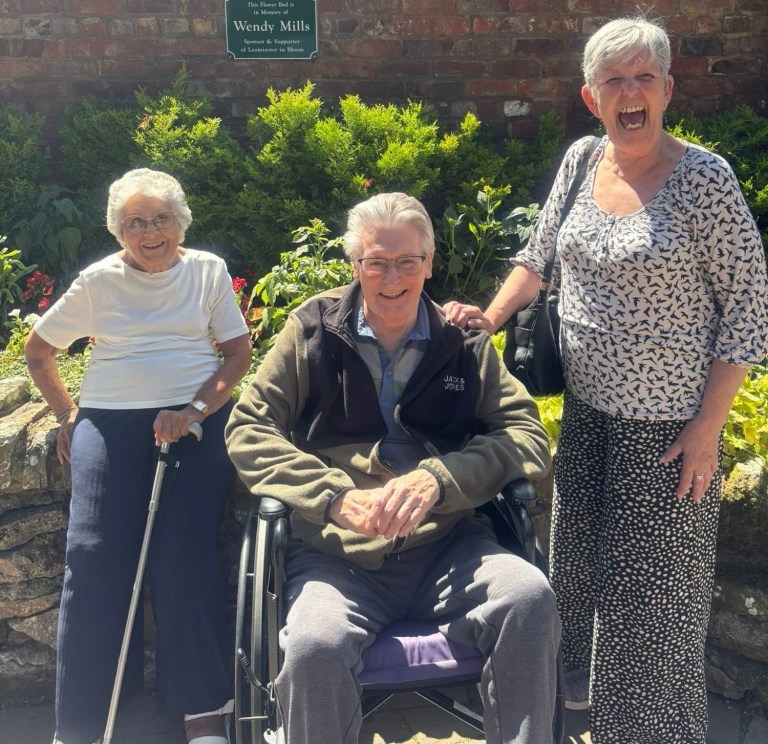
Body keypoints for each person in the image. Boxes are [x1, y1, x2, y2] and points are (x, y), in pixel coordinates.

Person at [444, 17, 768, 744]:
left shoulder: (705, 181)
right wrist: (487, 318)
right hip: (589, 418)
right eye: (613, 80)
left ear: (667, 90)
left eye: (643, 77)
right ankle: (590, 721)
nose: (629, 93)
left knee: (651, 613)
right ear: (591, 97)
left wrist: (708, 429)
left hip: (669, 434)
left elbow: (750, 312)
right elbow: (537, 257)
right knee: (578, 582)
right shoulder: (583, 159)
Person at [226, 191, 560, 744]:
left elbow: (525, 433)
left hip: (448, 546)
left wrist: (439, 480)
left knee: (528, 597)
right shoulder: (312, 330)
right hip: (336, 555)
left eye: (407, 261)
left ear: (429, 264)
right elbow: (248, 428)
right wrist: (333, 496)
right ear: (355, 264)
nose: (391, 277)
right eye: (376, 261)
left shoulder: (462, 343)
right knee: (313, 645)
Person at [24, 168, 252, 744]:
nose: (151, 233)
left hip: (194, 419)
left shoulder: (207, 271)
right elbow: (38, 350)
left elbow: (237, 354)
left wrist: (194, 411)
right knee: (92, 554)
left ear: (181, 223)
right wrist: (67, 414)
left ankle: (202, 711)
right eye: (135, 223)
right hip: (109, 417)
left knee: (184, 555)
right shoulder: (98, 282)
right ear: (118, 231)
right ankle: (83, 721)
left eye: (161, 219)